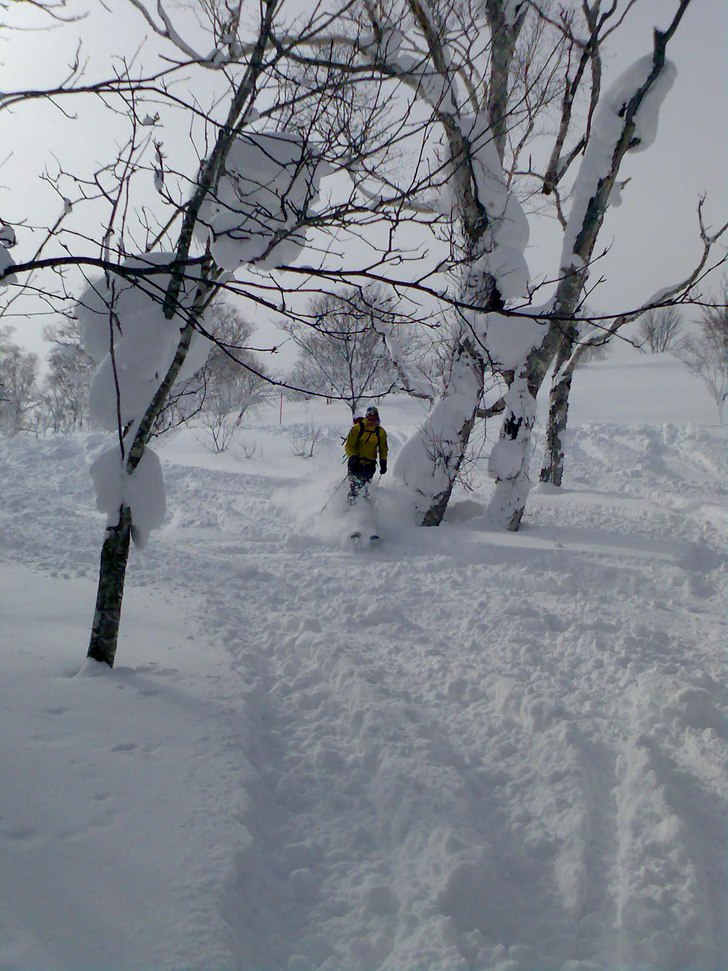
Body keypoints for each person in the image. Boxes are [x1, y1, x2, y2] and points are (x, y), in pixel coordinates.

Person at [344, 405, 388, 503]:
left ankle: (365, 506)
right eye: (370, 418)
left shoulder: (380, 432)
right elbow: (349, 445)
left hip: (370, 464)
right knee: (355, 487)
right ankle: (350, 505)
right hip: (356, 462)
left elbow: (383, 448)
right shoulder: (357, 428)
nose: (372, 421)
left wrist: (383, 462)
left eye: (374, 418)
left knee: (366, 487)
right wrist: (352, 457)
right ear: (367, 417)